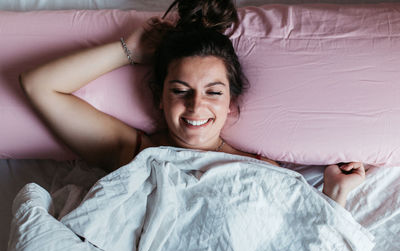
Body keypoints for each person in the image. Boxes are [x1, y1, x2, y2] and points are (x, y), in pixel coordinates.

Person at [18, 0, 365, 208]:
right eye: (181, 90)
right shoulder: (132, 151)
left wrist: (335, 194)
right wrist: (128, 50)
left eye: (213, 92)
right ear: (159, 98)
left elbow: (301, 244)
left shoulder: (261, 169)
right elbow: (38, 85)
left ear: (231, 102)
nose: (196, 106)